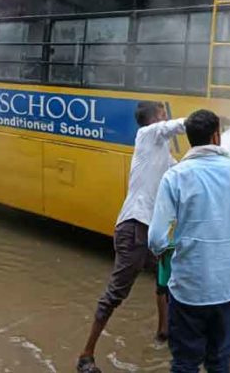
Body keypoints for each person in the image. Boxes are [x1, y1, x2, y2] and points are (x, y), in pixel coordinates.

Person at [148, 109, 230, 373]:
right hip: (226, 288)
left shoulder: (175, 176)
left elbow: (155, 238)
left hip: (188, 288)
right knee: (219, 361)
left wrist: (174, 249)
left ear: (189, 138)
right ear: (216, 136)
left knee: (185, 363)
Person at [77, 102, 186, 373]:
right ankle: (85, 356)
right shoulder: (147, 135)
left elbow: (181, 171)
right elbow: (176, 126)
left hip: (151, 230)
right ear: (156, 118)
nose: (166, 116)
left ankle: (163, 331)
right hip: (135, 228)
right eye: (163, 113)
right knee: (115, 294)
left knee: (166, 279)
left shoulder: (162, 154)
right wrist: (207, 121)